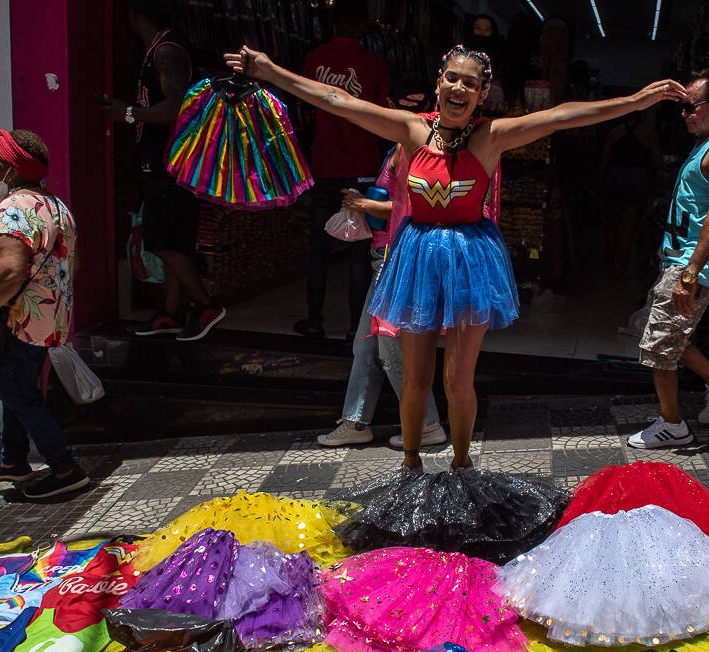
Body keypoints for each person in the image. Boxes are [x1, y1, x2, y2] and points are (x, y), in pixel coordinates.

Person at [225, 42, 685, 470]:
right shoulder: (409, 129)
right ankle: (410, 466)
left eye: (470, 82)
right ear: (438, 83)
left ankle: (462, 465)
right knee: (414, 379)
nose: (458, 88)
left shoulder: (491, 137)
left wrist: (635, 102)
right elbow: (337, 100)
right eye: (452, 78)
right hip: (416, 259)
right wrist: (269, 72)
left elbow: (564, 116)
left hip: (470, 261)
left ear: (483, 93)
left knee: (457, 381)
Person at [0, 129, 90, 500]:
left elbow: (12, 269)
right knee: (16, 385)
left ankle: (65, 468)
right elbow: (73, 265)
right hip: (44, 319)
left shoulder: (15, 210)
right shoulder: (55, 206)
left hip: (15, 320)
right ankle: (13, 460)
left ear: (13, 169)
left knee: (16, 391)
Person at [627, 69, 709, 450]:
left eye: (689, 107)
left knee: (661, 349)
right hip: (680, 260)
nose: (684, 115)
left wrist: (689, 273)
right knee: (662, 335)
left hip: (692, 266)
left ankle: (672, 425)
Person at [104, 0, 225, 342]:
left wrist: (128, 114)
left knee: (160, 239)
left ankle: (205, 305)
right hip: (166, 162)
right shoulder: (160, 48)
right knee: (174, 241)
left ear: (134, 13)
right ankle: (172, 312)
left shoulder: (166, 51)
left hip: (170, 164)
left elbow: (175, 106)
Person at [317, 145, 447, 449]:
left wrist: (363, 204)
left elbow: (417, 206)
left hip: (397, 259)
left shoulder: (418, 150)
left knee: (392, 348)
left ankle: (426, 425)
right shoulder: (398, 146)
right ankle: (355, 422)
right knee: (366, 344)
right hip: (384, 256)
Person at [296, 0, 391, 340]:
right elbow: (383, 116)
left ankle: (315, 322)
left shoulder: (313, 60)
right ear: (361, 25)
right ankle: (356, 327)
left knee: (319, 248)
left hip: (325, 164)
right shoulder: (375, 64)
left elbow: (305, 111)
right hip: (362, 166)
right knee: (359, 252)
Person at [598, 110, 661, 280]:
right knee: (628, 223)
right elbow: (657, 160)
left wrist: (601, 182)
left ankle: (609, 263)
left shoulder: (615, 131)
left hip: (614, 176)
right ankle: (619, 267)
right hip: (637, 178)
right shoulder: (647, 132)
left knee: (612, 222)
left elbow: (605, 158)